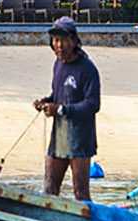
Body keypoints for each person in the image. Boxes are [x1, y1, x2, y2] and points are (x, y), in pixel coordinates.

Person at [36, 15, 101, 200]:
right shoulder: (58, 65)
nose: (59, 45)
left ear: (74, 41)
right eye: (56, 40)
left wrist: (61, 110)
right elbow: (57, 95)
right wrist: (46, 102)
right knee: (49, 191)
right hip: (59, 137)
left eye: (64, 40)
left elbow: (92, 105)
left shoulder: (87, 69)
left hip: (80, 140)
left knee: (80, 193)